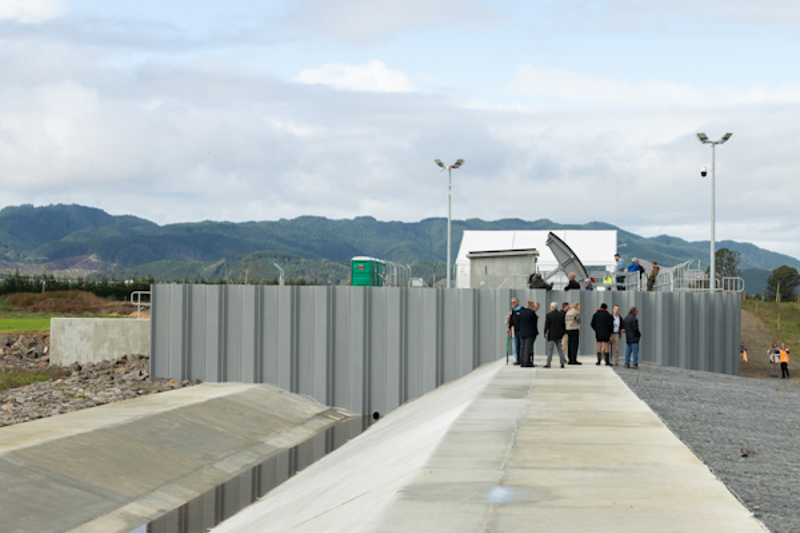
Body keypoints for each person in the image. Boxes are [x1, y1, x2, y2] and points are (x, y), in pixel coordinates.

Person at [518, 301, 540, 367]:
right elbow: (535, 321)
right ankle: (526, 362)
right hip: (530, 332)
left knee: (522, 347)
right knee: (527, 347)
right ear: (531, 306)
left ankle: (521, 361)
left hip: (522, 332)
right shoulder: (532, 313)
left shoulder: (521, 313)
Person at [544, 302, 566, 368]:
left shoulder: (549, 315)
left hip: (551, 334)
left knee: (550, 350)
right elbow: (563, 325)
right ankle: (562, 363)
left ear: (552, 307)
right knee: (560, 349)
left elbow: (547, 325)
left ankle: (548, 363)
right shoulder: (561, 314)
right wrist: (562, 333)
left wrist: (545, 334)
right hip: (559, 334)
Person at [507, 298, 522, 365]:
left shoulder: (522, 310)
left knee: (521, 345)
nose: (513, 304)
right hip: (514, 330)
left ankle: (521, 358)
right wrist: (509, 328)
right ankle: (516, 359)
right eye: (512, 303)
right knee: (515, 345)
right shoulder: (513, 311)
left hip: (521, 330)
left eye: (514, 302)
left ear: (517, 302)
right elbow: (511, 321)